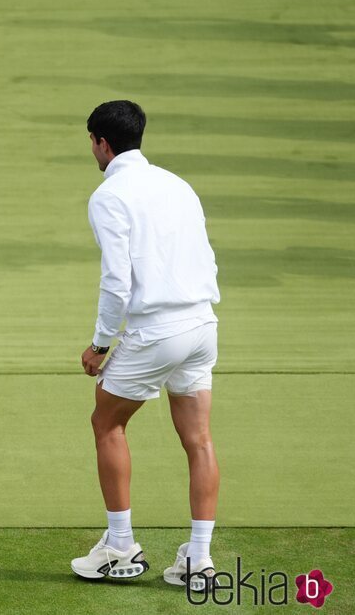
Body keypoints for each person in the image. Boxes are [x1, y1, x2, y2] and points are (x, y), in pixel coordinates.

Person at [70, 101, 222, 591]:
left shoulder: (108, 195)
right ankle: (198, 559)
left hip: (155, 332)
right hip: (202, 325)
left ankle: (119, 546)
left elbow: (117, 281)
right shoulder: (178, 184)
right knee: (198, 440)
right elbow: (206, 254)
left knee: (107, 421)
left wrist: (99, 344)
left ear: (101, 142)